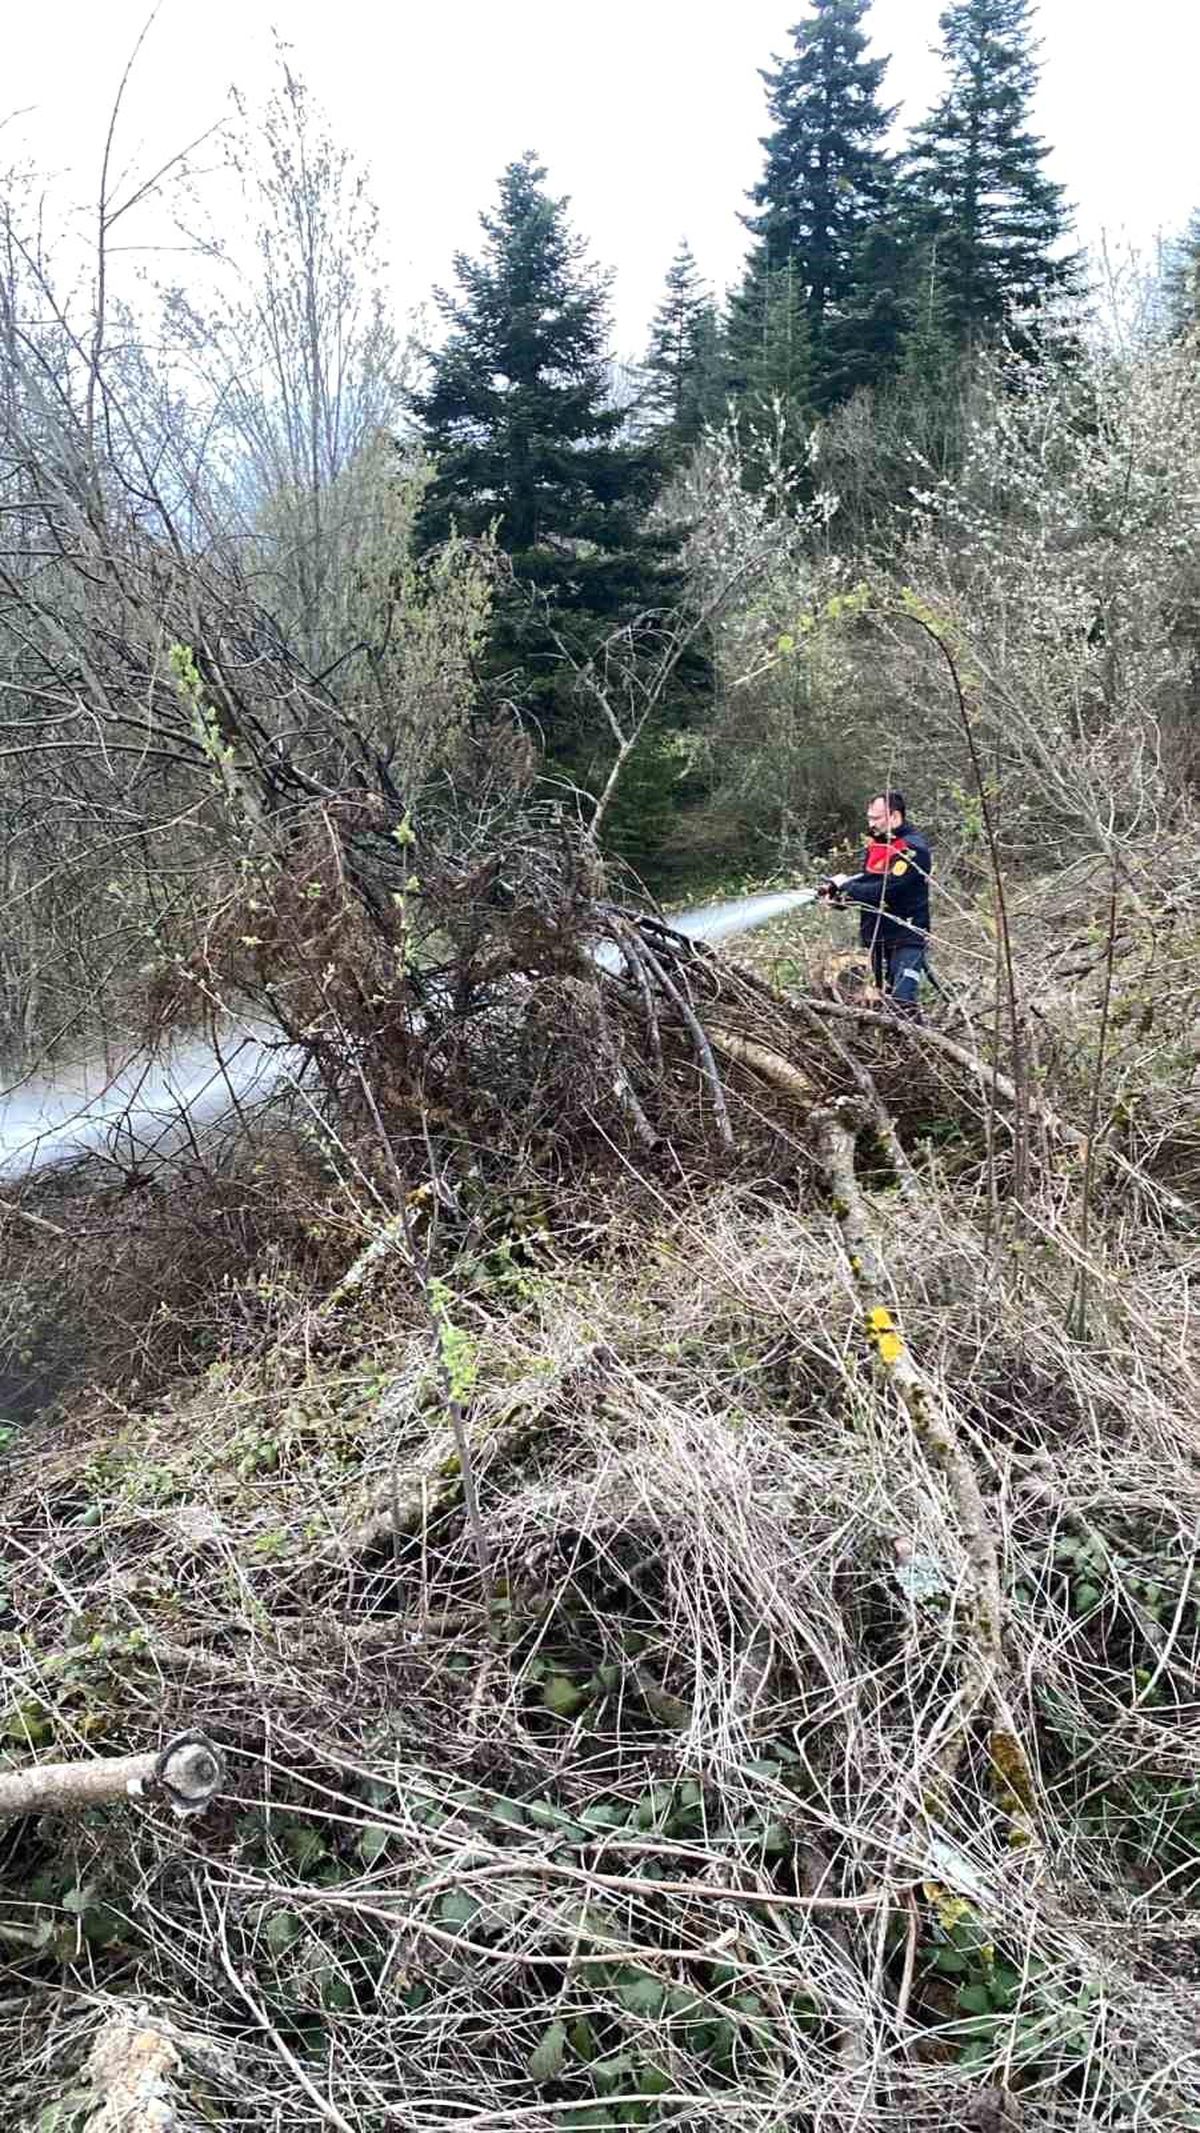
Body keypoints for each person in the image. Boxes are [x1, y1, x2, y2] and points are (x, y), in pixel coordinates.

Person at [818, 791, 932, 1019]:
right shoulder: (878, 844)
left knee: (902, 1002)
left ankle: (921, 1049)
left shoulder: (912, 849)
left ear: (895, 816)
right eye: (869, 818)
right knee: (880, 1001)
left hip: (906, 937)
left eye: (875, 818)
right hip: (876, 939)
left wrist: (847, 889)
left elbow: (886, 889)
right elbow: (868, 880)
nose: (870, 824)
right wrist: (838, 894)